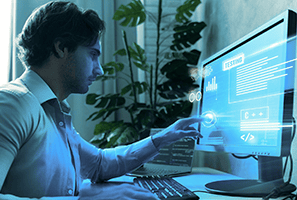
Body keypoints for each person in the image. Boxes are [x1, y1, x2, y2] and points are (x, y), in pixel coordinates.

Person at [0, 1, 203, 200]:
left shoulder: (53, 112)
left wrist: (161, 139)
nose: (100, 70)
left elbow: (98, 164)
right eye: (93, 54)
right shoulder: (12, 104)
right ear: (61, 47)